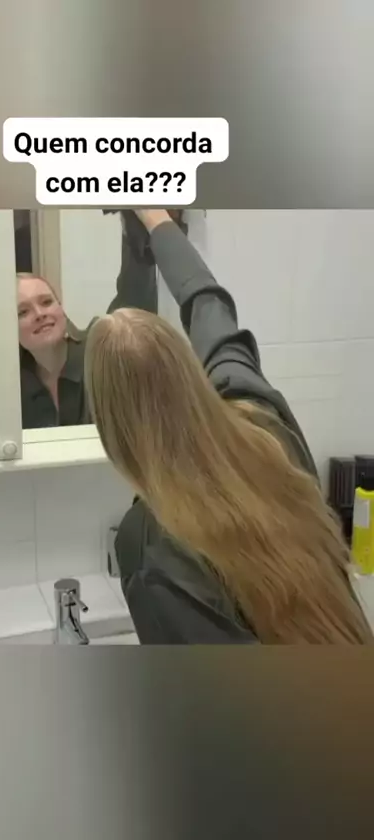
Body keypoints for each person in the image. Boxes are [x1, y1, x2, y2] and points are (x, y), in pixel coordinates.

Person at [84, 209, 372, 645]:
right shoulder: (262, 421)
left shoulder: (150, 544)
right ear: (186, 366)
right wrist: (156, 219)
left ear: (110, 424)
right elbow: (206, 301)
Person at [17, 212, 160, 429]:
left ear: (61, 308)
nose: (39, 313)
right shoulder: (13, 389)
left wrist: (134, 222)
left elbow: (134, 299)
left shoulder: (99, 350)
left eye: (46, 302)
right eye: (23, 312)